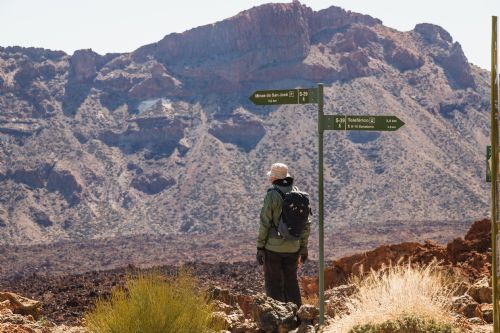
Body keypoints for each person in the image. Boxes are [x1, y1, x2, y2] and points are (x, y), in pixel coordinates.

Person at [256, 162, 311, 307]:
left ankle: (278, 320)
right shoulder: (298, 194)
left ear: (274, 178)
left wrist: (260, 247)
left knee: (274, 284)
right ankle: (297, 318)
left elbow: (265, 222)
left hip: (273, 249)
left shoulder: (272, 195)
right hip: (293, 247)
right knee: (291, 282)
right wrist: (303, 246)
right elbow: (306, 223)